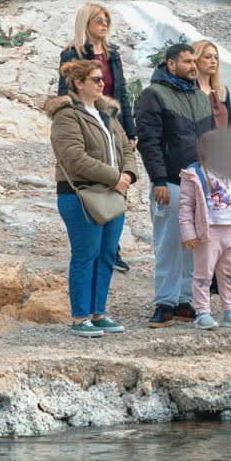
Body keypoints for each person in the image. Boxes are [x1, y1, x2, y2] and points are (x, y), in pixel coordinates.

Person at [49, 57, 133, 336]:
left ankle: (99, 313)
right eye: (96, 80)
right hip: (82, 194)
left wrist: (129, 175)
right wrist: (115, 177)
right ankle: (80, 316)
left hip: (112, 193)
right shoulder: (66, 115)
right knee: (86, 254)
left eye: (102, 80)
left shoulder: (107, 113)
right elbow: (73, 158)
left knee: (107, 254)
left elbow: (127, 149)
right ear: (78, 83)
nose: (102, 84)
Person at [135, 41, 214, 327]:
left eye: (194, 61)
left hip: (200, 184)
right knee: (168, 245)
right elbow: (149, 142)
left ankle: (185, 300)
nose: (194, 66)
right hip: (170, 181)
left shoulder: (201, 97)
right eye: (187, 62)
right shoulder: (153, 96)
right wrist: (158, 180)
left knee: (194, 244)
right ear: (171, 64)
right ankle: (164, 302)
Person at [55, 2, 134, 275]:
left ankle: (112, 248)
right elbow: (64, 92)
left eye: (106, 20)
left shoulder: (112, 54)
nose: (103, 24)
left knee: (119, 179)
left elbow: (122, 93)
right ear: (85, 22)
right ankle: (94, 242)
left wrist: (130, 131)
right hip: (87, 122)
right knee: (96, 178)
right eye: (98, 19)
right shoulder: (72, 53)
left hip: (113, 124)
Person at [177, 133, 231, 331]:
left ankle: (230, 310)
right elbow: (186, 206)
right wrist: (189, 233)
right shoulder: (194, 175)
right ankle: (202, 312)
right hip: (208, 231)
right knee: (203, 273)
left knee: (230, 273)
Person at [190, 39, 231, 130]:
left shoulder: (222, 90)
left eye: (216, 58)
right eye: (207, 57)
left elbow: (230, 125)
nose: (213, 61)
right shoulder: (188, 90)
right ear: (196, 60)